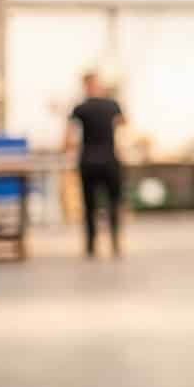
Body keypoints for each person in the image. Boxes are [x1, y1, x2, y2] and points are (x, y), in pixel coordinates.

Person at [65, 72, 125, 260]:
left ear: (85, 86)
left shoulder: (80, 108)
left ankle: (91, 246)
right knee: (113, 203)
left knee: (90, 205)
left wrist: (68, 149)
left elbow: (68, 136)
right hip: (109, 160)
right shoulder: (112, 105)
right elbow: (124, 125)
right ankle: (115, 243)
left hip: (88, 161)